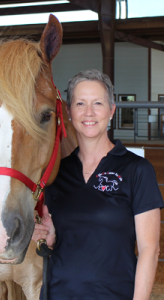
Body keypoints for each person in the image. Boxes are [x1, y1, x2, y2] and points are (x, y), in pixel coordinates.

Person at [32, 69, 164, 300]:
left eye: (98, 103)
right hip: (57, 293)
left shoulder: (137, 170)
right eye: (80, 103)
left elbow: (149, 251)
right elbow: (58, 237)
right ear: (70, 113)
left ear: (111, 111)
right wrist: (50, 237)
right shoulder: (57, 173)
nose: (89, 112)